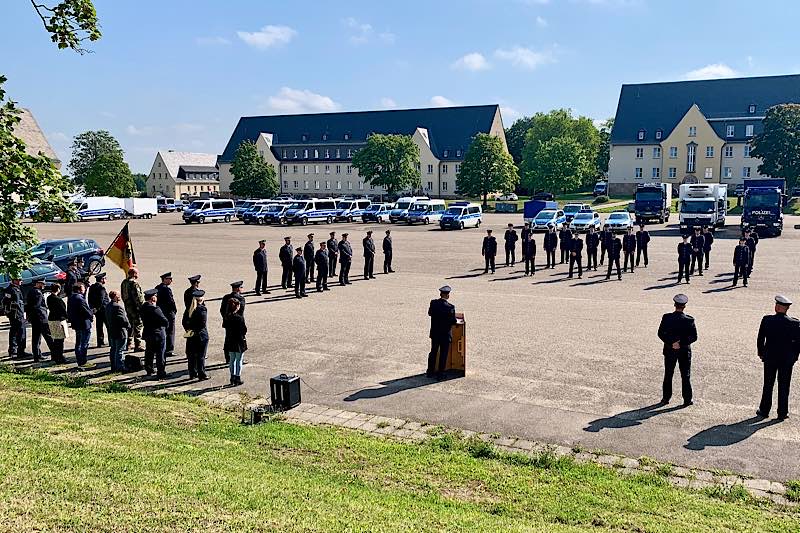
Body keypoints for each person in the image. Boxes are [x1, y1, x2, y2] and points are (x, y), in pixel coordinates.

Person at [756, 295, 800, 420]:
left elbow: (760, 338)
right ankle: (782, 412)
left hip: (770, 357)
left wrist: (761, 352)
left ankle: (764, 410)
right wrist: (794, 357)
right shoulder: (795, 323)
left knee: (768, 384)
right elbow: (798, 344)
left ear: (777, 307)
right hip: (787, 360)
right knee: (784, 385)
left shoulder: (767, 320)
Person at [657, 294, 698, 406]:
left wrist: (672, 343)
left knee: (668, 374)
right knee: (685, 375)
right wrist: (681, 343)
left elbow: (660, 333)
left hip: (670, 350)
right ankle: (687, 400)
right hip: (684, 351)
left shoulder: (667, 317)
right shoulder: (689, 320)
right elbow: (693, 337)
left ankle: (666, 398)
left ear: (675, 305)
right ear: (684, 306)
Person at [427, 285, 457, 379]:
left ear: (440, 294)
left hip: (435, 333)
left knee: (433, 352)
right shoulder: (450, 307)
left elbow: (430, 313)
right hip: (445, 334)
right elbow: (453, 321)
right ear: (448, 295)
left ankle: (430, 371)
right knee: (443, 354)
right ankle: (441, 373)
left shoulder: (433, 303)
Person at [141, 288, 168, 379]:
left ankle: (149, 369)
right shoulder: (155, 309)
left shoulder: (143, 307)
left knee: (149, 352)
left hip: (148, 333)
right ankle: (161, 372)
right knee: (160, 353)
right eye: (155, 296)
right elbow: (165, 321)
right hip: (158, 333)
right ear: (152, 298)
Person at [25, 279, 53, 362]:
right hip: (40, 318)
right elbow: (37, 306)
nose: (44, 285)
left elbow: (29, 306)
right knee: (48, 336)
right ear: (38, 284)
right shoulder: (37, 292)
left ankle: (36, 356)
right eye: (42, 283)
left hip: (35, 318)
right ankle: (55, 354)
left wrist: (29, 316)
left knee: (36, 338)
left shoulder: (31, 291)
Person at [67, 282, 94, 368]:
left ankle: (79, 360)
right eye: (83, 288)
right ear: (79, 289)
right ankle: (83, 361)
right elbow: (87, 311)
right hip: (84, 323)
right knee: (84, 343)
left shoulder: (71, 297)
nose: (85, 289)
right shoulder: (80, 299)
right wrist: (92, 313)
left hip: (76, 323)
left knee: (78, 343)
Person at [223, 298, 248, 386]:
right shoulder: (239, 318)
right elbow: (244, 330)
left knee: (232, 360)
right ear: (237, 307)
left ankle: (232, 377)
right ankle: (238, 377)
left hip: (230, 340)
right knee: (239, 360)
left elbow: (225, 326)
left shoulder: (226, 317)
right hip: (239, 341)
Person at [186, 289, 209, 381]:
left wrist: (189, 329)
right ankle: (201, 373)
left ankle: (192, 373)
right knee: (201, 355)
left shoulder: (190, 308)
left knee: (191, 355)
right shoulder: (202, 309)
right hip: (200, 335)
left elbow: (184, 321)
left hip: (191, 334)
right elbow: (202, 324)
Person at [120, 267, 144, 352]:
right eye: (137, 273)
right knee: (138, 324)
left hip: (128, 307)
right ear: (134, 274)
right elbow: (138, 297)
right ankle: (138, 344)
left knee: (129, 325)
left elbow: (123, 295)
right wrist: (141, 308)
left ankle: (129, 343)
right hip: (135, 308)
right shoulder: (134, 284)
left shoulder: (124, 282)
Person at [105, 290, 129, 372]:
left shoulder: (108, 306)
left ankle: (114, 366)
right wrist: (128, 326)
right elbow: (123, 320)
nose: (120, 296)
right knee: (120, 350)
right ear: (115, 296)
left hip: (112, 331)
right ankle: (120, 367)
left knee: (113, 349)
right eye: (119, 295)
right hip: (120, 332)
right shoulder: (118, 307)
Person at [3, 278, 27, 359]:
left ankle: (15, 350)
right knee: (20, 332)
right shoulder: (12, 290)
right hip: (17, 314)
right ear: (14, 280)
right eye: (19, 280)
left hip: (15, 314)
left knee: (14, 331)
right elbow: (14, 303)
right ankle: (19, 351)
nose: (21, 281)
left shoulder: (11, 289)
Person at [155, 272, 177, 357]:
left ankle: (162, 348)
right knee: (170, 332)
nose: (171, 280)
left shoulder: (157, 287)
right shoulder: (167, 289)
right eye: (169, 279)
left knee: (162, 331)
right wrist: (174, 311)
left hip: (160, 314)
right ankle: (169, 350)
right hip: (168, 313)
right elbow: (171, 302)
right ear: (165, 279)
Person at [46, 283, 68, 364]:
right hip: (58, 320)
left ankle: (54, 355)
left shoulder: (49, 298)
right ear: (58, 289)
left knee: (55, 339)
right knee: (60, 340)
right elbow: (63, 310)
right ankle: (60, 357)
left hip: (51, 319)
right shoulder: (58, 299)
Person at [87, 273, 110, 348]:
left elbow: (89, 298)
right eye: (105, 278)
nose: (105, 280)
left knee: (99, 326)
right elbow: (101, 299)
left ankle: (100, 342)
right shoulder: (101, 288)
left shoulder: (92, 287)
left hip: (97, 310)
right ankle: (111, 341)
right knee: (109, 326)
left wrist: (93, 308)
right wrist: (97, 308)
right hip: (103, 310)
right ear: (102, 279)